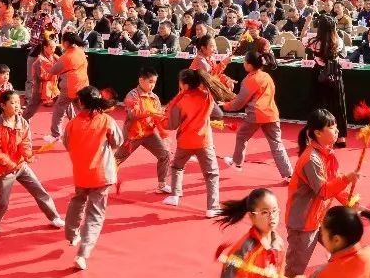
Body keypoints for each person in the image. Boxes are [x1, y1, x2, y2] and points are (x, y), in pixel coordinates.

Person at [0, 90, 65, 234]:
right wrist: (10, 164)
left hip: (21, 166)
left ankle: (54, 217)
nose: (17, 106)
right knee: (3, 201)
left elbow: (25, 142)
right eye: (12, 103)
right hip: (3, 169)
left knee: (39, 191)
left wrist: (28, 155)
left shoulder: (22, 122)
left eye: (18, 103)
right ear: (3, 105)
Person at [285, 108, 356, 277]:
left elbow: (334, 180)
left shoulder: (326, 154)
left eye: (336, 126)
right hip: (304, 223)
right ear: (317, 133)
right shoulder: (311, 159)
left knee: (343, 251)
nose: (337, 130)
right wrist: (347, 179)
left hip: (319, 218)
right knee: (294, 272)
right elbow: (323, 191)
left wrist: (352, 201)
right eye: (332, 127)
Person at [61, 86, 122, 271]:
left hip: (81, 172)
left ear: (80, 103)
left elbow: (67, 144)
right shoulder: (106, 120)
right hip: (101, 174)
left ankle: (72, 234)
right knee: (95, 214)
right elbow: (118, 141)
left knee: (78, 200)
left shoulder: (72, 124)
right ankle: (83, 253)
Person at [223, 49, 294, 180]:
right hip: (271, 113)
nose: (243, 63)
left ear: (250, 65)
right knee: (277, 144)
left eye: (245, 62)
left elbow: (239, 102)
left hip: (256, 114)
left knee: (242, 136)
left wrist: (225, 105)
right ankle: (289, 174)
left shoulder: (249, 80)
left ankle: (237, 163)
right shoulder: (266, 76)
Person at [163, 69, 225, 216]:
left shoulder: (181, 100)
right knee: (211, 174)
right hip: (204, 141)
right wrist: (205, 116)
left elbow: (171, 125)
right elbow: (219, 114)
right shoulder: (207, 96)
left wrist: (161, 118)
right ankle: (212, 207)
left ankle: (175, 195)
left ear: (184, 85)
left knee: (177, 166)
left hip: (185, 141)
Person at [115, 67, 172, 193]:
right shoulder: (132, 95)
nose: (153, 85)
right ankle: (100, 181)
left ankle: (162, 185)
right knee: (116, 159)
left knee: (165, 154)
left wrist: (163, 134)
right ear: (141, 80)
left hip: (149, 133)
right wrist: (150, 112)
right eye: (150, 82)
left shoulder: (155, 97)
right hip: (133, 135)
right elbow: (132, 114)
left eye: (154, 82)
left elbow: (158, 117)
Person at [307, 15, 348, 147]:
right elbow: (343, 54)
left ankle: (318, 136)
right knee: (338, 105)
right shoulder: (338, 41)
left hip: (319, 74)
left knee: (318, 105)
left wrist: (307, 23)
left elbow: (302, 38)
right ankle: (340, 137)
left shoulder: (314, 42)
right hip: (335, 74)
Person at [46, 31, 90, 143]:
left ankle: (55, 134)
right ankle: (87, 130)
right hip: (83, 85)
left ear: (65, 43)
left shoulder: (66, 56)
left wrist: (50, 61)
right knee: (82, 109)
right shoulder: (80, 51)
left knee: (59, 109)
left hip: (70, 86)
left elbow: (53, 70)